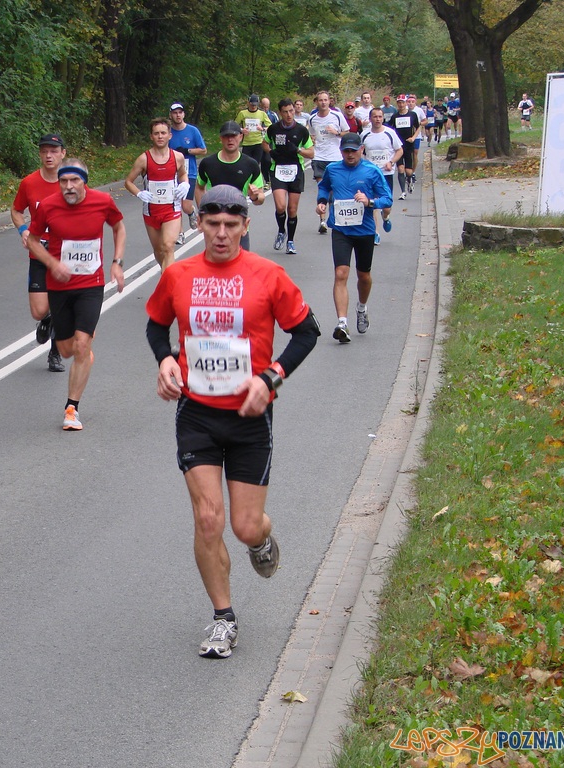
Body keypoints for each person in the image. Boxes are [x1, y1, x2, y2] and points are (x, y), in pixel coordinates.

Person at [145, 184, 320, 659]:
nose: (221, 235)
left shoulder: (268, 275)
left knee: (243, 526)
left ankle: (261, 538)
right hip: (197, 415)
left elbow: (307, 332)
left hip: (249, 418)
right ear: (198, 224)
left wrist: (273, 377)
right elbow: (155, 324)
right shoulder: (178, 275)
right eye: (212, 224)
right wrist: (165, 361)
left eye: (230, 226)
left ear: (245, 226)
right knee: (208, 519)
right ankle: (223, 618)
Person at [28, 158, 126, 431]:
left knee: (82, 345)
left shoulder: (102, 202)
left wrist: (117, 262)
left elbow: (118, 226)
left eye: (74, 181)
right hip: (59, 286)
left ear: (84, 181)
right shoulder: (48, 206)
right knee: (67, 350)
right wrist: (52, 263)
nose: (69, 187)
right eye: (63, 182)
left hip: (91, 285)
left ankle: (71, 408)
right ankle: (51, 322)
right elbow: (33, 241)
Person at [315, 132, 393, 343]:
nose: (350, 154)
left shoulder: (372, 171)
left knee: (363, 276)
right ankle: (342, 323)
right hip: (341, 229)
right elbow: (324, 186)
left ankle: (362, 307)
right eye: (346, 151)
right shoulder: (333, 169)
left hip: (365, 230)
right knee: (341, 274)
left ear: (361, 150)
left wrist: (369, 202)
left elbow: (387, 198)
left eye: (353, 150)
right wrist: (322, 201)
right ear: (341, 151)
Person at [11, 133, 68, 372]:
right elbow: (16, 210)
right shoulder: (29, 183)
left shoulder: (71, 181)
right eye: (44, 151)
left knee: (59, 303)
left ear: (62, 153)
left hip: (64, 253)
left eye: (54, 151)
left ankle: (55, 354)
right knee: (39, 311)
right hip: (38, 250)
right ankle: (46, 320)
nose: (49, 155)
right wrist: (24, 230)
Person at [125, 117, 189, 271]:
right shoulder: (143, 159)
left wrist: (185, 184)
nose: (160, 136)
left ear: (169, 135)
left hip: (171, 209)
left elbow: (182, 174)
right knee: (159, 250)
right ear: (151, 136)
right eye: (156, 133)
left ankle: (168, 282)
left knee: (168, 246)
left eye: (163, 133)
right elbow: (128, 182)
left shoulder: (177, 157)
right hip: (151, 211)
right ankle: (165, 273)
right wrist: (139, 193)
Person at [195, 121, 267, 250]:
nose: (230, 139)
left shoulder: (250, 165)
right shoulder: (208, 163)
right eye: (226, 136)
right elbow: (200, 187)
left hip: (238, 224)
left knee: (241, 267)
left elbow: (260, 198)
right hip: (214, 224)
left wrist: (255, 196)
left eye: (233, 136)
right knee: (215, 266)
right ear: (221, 138)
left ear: (240, 136)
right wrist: (203, 212)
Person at [263, 98, 315, 255]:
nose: (289, 114)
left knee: (292, 209)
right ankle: (281, 231)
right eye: (285, 112)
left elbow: (311, 153)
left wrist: (298, 150)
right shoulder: (273, 129)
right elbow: (264, 143)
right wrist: (271, 152)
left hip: (295, 170)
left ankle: (290, 241)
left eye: (291, 111)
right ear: (280, 113)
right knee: (280, 206)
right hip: (278, 168)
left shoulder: (301, 130)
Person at [307, 90, 351, 233]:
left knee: (333, 191)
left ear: (329, 101)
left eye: (326, 100)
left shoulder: (337, 116)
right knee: (322, 188)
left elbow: (347, 132)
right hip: (319, 157)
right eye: (321, 100)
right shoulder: (312, 118)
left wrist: (336, 133)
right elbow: (312, 134)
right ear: (317, 102)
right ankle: (323, 221)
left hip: (335, 157)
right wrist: (312, 140)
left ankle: (334, 217)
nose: (323, 102)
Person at [361, 107, 403, 244]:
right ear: (370, 118)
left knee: (386, 206)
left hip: (386, 174)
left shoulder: (390, 133)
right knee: (372, 204)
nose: (377, 119)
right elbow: (360, 153)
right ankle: (375, 232)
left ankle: (386, 217)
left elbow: (399, 150)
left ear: (383, 118)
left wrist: (391, 162)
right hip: (370, 175)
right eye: (375, 117)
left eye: (380, 116)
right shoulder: (365, 135)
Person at [167, 102, 208, 242]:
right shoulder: (168, 133)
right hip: (172, 173)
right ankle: (180, 233)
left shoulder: (192, 131)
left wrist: (187, 151)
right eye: (175, 113)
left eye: (180, 112)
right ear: (171, 115)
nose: (178, 115)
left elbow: (203, 150)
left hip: (189, 173)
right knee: (175, 204)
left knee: (185, 205)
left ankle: (191, 213)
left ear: (183, 114)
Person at [235, 94, 272, 186]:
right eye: (251, 104)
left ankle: (255, 184)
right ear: (248, 103)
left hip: (258, 143)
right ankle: (246, 182)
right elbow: (235, 125)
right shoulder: (242, 113)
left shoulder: (262, 114)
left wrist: (262, 128)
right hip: (247, 143)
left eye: (255, 105)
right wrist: (242, 130)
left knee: (255, 164)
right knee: (245, 164)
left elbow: (270, 126)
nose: (253, 106)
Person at [390, 94, 421, 198]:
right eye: (399, 102)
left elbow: (418, 127)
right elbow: (390, 129)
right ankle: (403, 192)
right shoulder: (395, 116)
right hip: (398, 147)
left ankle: (410, 180)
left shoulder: (412, 115)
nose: (401, 104)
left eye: (403, 102)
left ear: (406, 103)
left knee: (408, 171)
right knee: (400, 169)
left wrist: (413, 137)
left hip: (409, 145)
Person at [260, 97, 279, 188]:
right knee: (263, 162)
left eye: (267, 107)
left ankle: (272, 179)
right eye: (264, 106)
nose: (265, 109)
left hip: (269, 140)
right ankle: (267, 180)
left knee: (268, 160)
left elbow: (277, 126)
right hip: (259, 140)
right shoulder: (258, 114)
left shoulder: (272, 115)